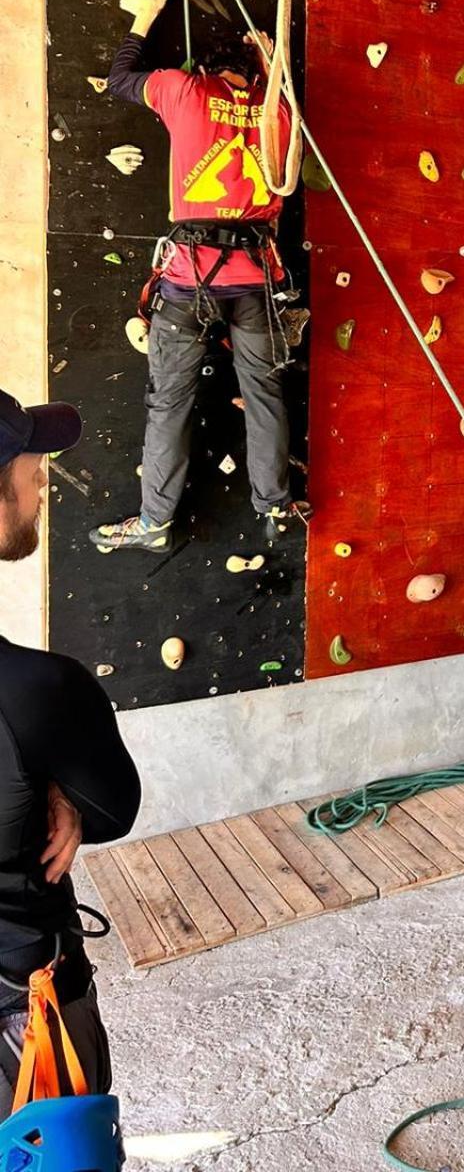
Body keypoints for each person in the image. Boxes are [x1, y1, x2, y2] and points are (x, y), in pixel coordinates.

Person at [89, 0, 301, 554]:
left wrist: (143, 17)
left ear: (204, 67)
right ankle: (276, 508)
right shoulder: (276, 110)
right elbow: (274, 98)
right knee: (264, 393)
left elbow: (120, 80)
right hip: (255, 280)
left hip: (189, 280)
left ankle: (155, 522)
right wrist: (267, 58)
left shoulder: (184, 89)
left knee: (169, 402)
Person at [0, 389, 141, 1109]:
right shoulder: (39, 690)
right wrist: (57, 787)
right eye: (31, 470)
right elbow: (114, 810)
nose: (42, 484)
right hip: (23, 1024)